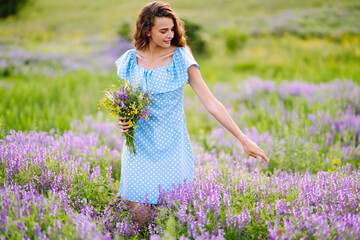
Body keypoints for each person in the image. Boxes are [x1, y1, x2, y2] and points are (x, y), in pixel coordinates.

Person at [115, 1, 269, 229]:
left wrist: (243, 138)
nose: (171, 34)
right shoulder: (130, 60)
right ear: (148, 30)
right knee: (142, 217)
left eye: (172, 29)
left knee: (172, 216)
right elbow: (127, 101)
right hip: (138, 146)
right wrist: (123, 118)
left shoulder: (180, 58)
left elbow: (211, 103)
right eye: (163, 30)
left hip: (172, 146)